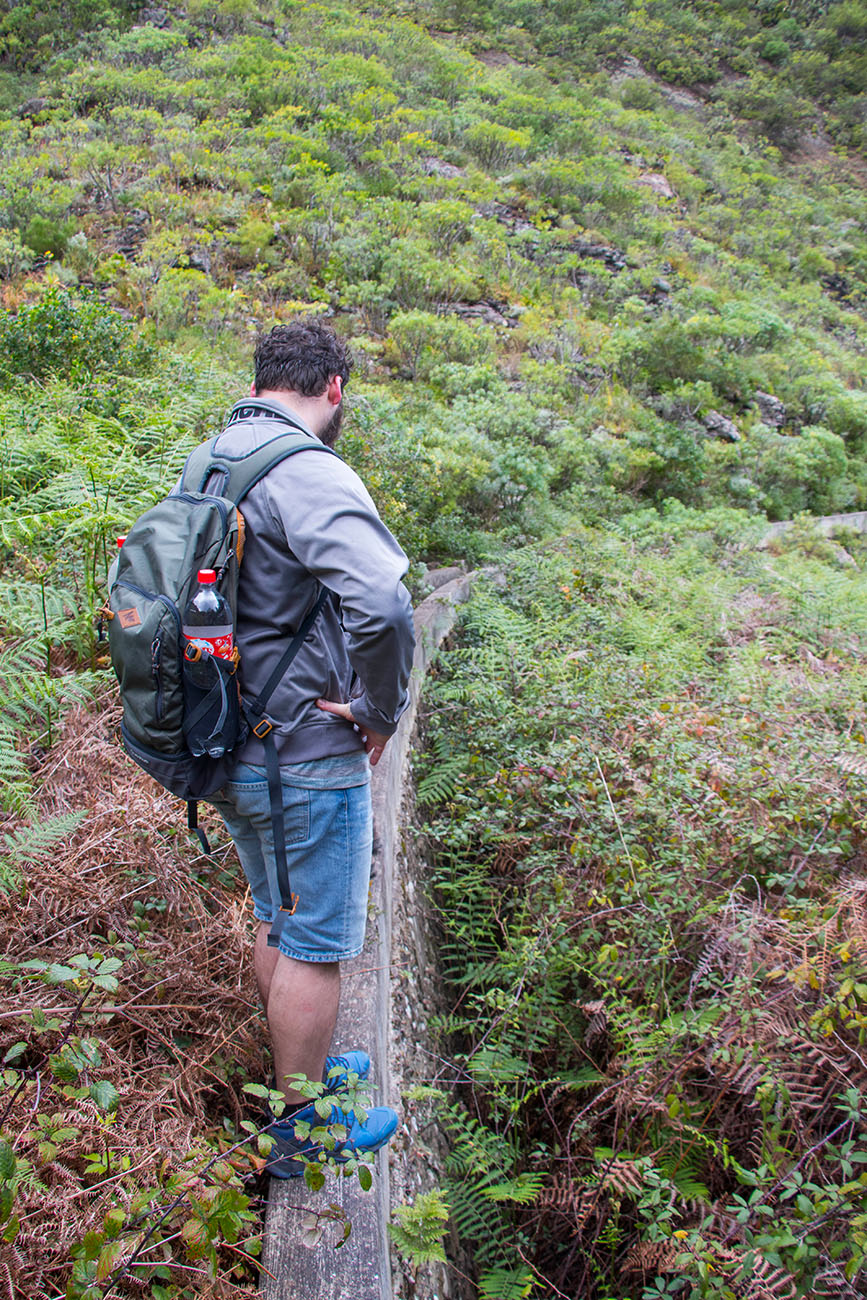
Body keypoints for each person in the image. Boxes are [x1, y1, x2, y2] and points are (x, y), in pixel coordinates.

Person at [207, 319, 415, 1177]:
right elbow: (384, 603)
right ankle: (303, 1127)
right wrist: (379, 708)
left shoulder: (214, 457)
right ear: (334, 387)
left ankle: (306, 1081)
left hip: (225, 742)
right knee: (318, 943)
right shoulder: (307, 471)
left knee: (276, 913)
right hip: (302, 754)